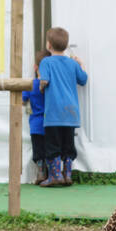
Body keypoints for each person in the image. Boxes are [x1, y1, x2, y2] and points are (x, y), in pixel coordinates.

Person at [38, 26, 87, 187]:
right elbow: (83, 79)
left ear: (49, 45)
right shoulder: (72, 64)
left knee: (53, 144)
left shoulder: (46, 62)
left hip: (53, 112)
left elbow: (44, 80)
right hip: (71, 112)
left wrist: (41, 87)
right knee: (68, 145)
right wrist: (81, 64)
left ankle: (54, 175)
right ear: (66, 46)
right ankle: (67, 175)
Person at [22, 57, 47, 184]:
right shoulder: (50, 85)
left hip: (36, 124)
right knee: (49, 150)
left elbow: (22, 100)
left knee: (38, 151)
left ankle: (40, 172)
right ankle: (50, 173)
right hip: (49, 124)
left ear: (35, 67)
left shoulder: (31, 84)